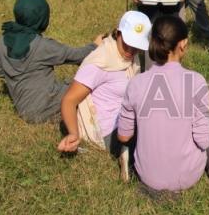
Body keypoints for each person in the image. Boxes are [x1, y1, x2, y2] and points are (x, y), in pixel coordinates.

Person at [117, 15, 209, 194]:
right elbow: (203, 141)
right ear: (183, 44)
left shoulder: (136, 83)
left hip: (147, 175)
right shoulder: (196, 82)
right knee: (204, 127)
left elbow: (123, 137)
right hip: (186, 176)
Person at [56, 11, 151, 181]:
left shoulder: (131, 58)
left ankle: (131, 154)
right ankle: (129, 155)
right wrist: (73, 134)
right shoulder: (100, 61)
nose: (131, 50)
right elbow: (69, 100)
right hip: (107, 131)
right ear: (118, 33)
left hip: (126, 118)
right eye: (128, 44)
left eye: (136, 46)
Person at [0, 0, 99, 124]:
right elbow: (78, 56)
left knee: (69, 83)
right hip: (48, 108)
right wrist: (95, 45)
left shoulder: (2, 41)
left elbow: (0, 72)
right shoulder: (43, 46)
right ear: (43, 19)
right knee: (91, 81)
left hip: (22, 109)